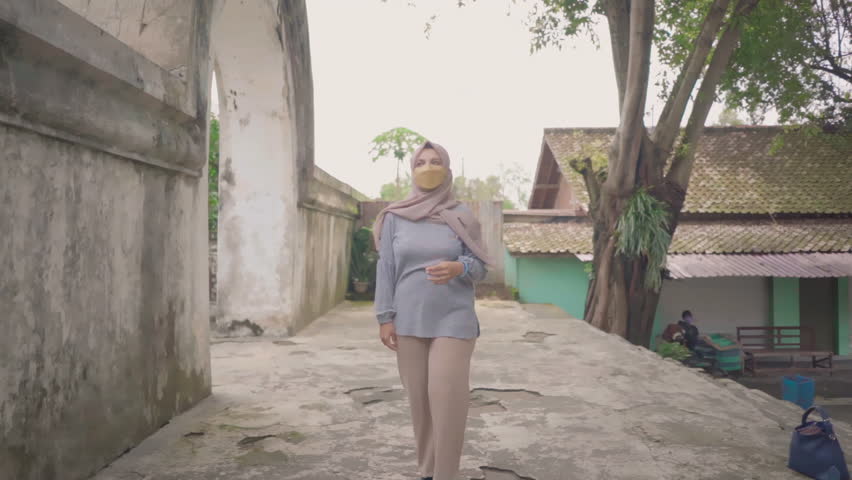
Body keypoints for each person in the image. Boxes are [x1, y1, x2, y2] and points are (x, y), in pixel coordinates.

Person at [373, 141, 491, 480]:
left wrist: (459, 268)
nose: (428, 167)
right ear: (412, 171)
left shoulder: (461, 216)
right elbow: (387, 267)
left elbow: (482, 267)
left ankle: (446, 474)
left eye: (435, 161)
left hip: (453, 317)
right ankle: (426, 471)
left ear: (448, 170)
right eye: (421, 162)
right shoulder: (394, 217)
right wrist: (385, 317)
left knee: (447, 400)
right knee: (420, 404)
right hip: (407, 319)